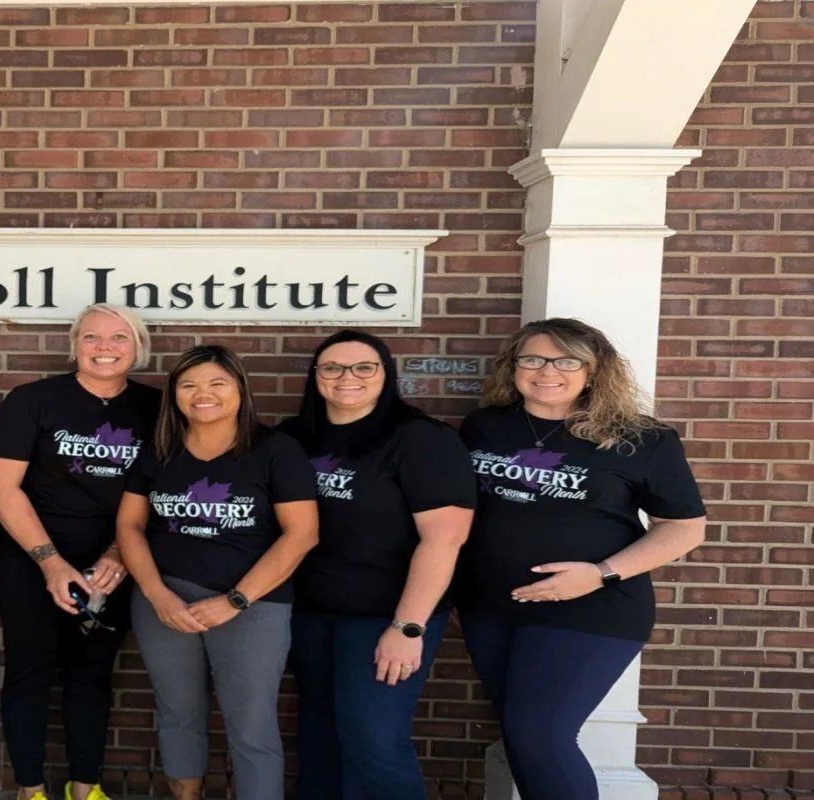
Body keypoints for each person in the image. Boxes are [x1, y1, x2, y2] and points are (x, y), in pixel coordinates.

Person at [455, 318, 708, 800]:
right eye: (532, 359)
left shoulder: (641, 438)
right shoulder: (484, 426)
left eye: (567, 361)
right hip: (491, 607)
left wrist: (600, 574)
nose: (547, 371)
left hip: (590, 608)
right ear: (513, 366)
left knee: (540, 734)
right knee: (520, 736)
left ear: (594, 370)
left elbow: (683, 527)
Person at [115, 345, 318, 800]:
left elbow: (302, 534)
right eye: (188, 385)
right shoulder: (159, 450)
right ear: (174, 395)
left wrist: (235, 601)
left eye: (216, 384)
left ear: (240, 389)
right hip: (164, 602)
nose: (201, 394)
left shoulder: (275, 450)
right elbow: (129, 526)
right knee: (178, 714)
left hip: (253, 605)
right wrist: (157, 594)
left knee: (251, 725)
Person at [280, 330, 475, 800]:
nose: (347, 377)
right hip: (309, 614)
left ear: (385, 375)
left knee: (374, 740)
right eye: (332, 367)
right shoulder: (293, 437)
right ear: (315, 376)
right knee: (319, 738)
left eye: (364, 367)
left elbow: (445, 537)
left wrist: (408, 626)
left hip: (385, 616)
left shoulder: (421, 439)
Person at [0, 304, 162, 800]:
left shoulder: (158, 408)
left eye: (119, 337)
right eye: (91, 337)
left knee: (93, 672)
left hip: (113, 563)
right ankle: (31, 791)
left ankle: (85, 789)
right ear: (74, 345)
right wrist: (51, 562)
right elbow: (0, 488)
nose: (105, 348)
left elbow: (166, 487)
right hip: (29, 558)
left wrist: (119, 553)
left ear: (138, 347)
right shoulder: (31, 401)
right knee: (29, 671)